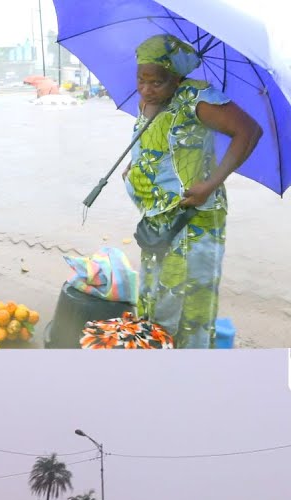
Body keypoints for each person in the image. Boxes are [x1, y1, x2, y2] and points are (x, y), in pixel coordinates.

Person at [124, 34, 262, 348]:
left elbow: (249, 131)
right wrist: (133, 166)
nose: (146, 89)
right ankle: (157, 359)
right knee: (154, 295)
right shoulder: (148, 101)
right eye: (141, 80)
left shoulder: (195, 98)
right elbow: (155, 145)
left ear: (176, 76)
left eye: (156, 82)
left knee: (186, 297)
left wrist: (211, 183)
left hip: (193, 218)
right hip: (157, 219)